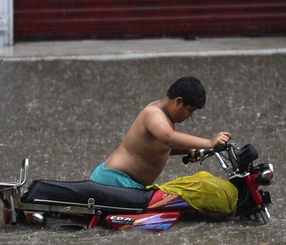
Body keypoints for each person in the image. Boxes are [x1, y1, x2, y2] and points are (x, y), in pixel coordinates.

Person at [90, 76, 231, 188]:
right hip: (115, 180)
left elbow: (156, 149)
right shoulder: (154, 113)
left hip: (126, 182)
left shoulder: (165, 117)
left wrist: (188, 149)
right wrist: (210, 142)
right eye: (190, 110)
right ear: (178, 101)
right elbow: (168, 138)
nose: (190, 116)